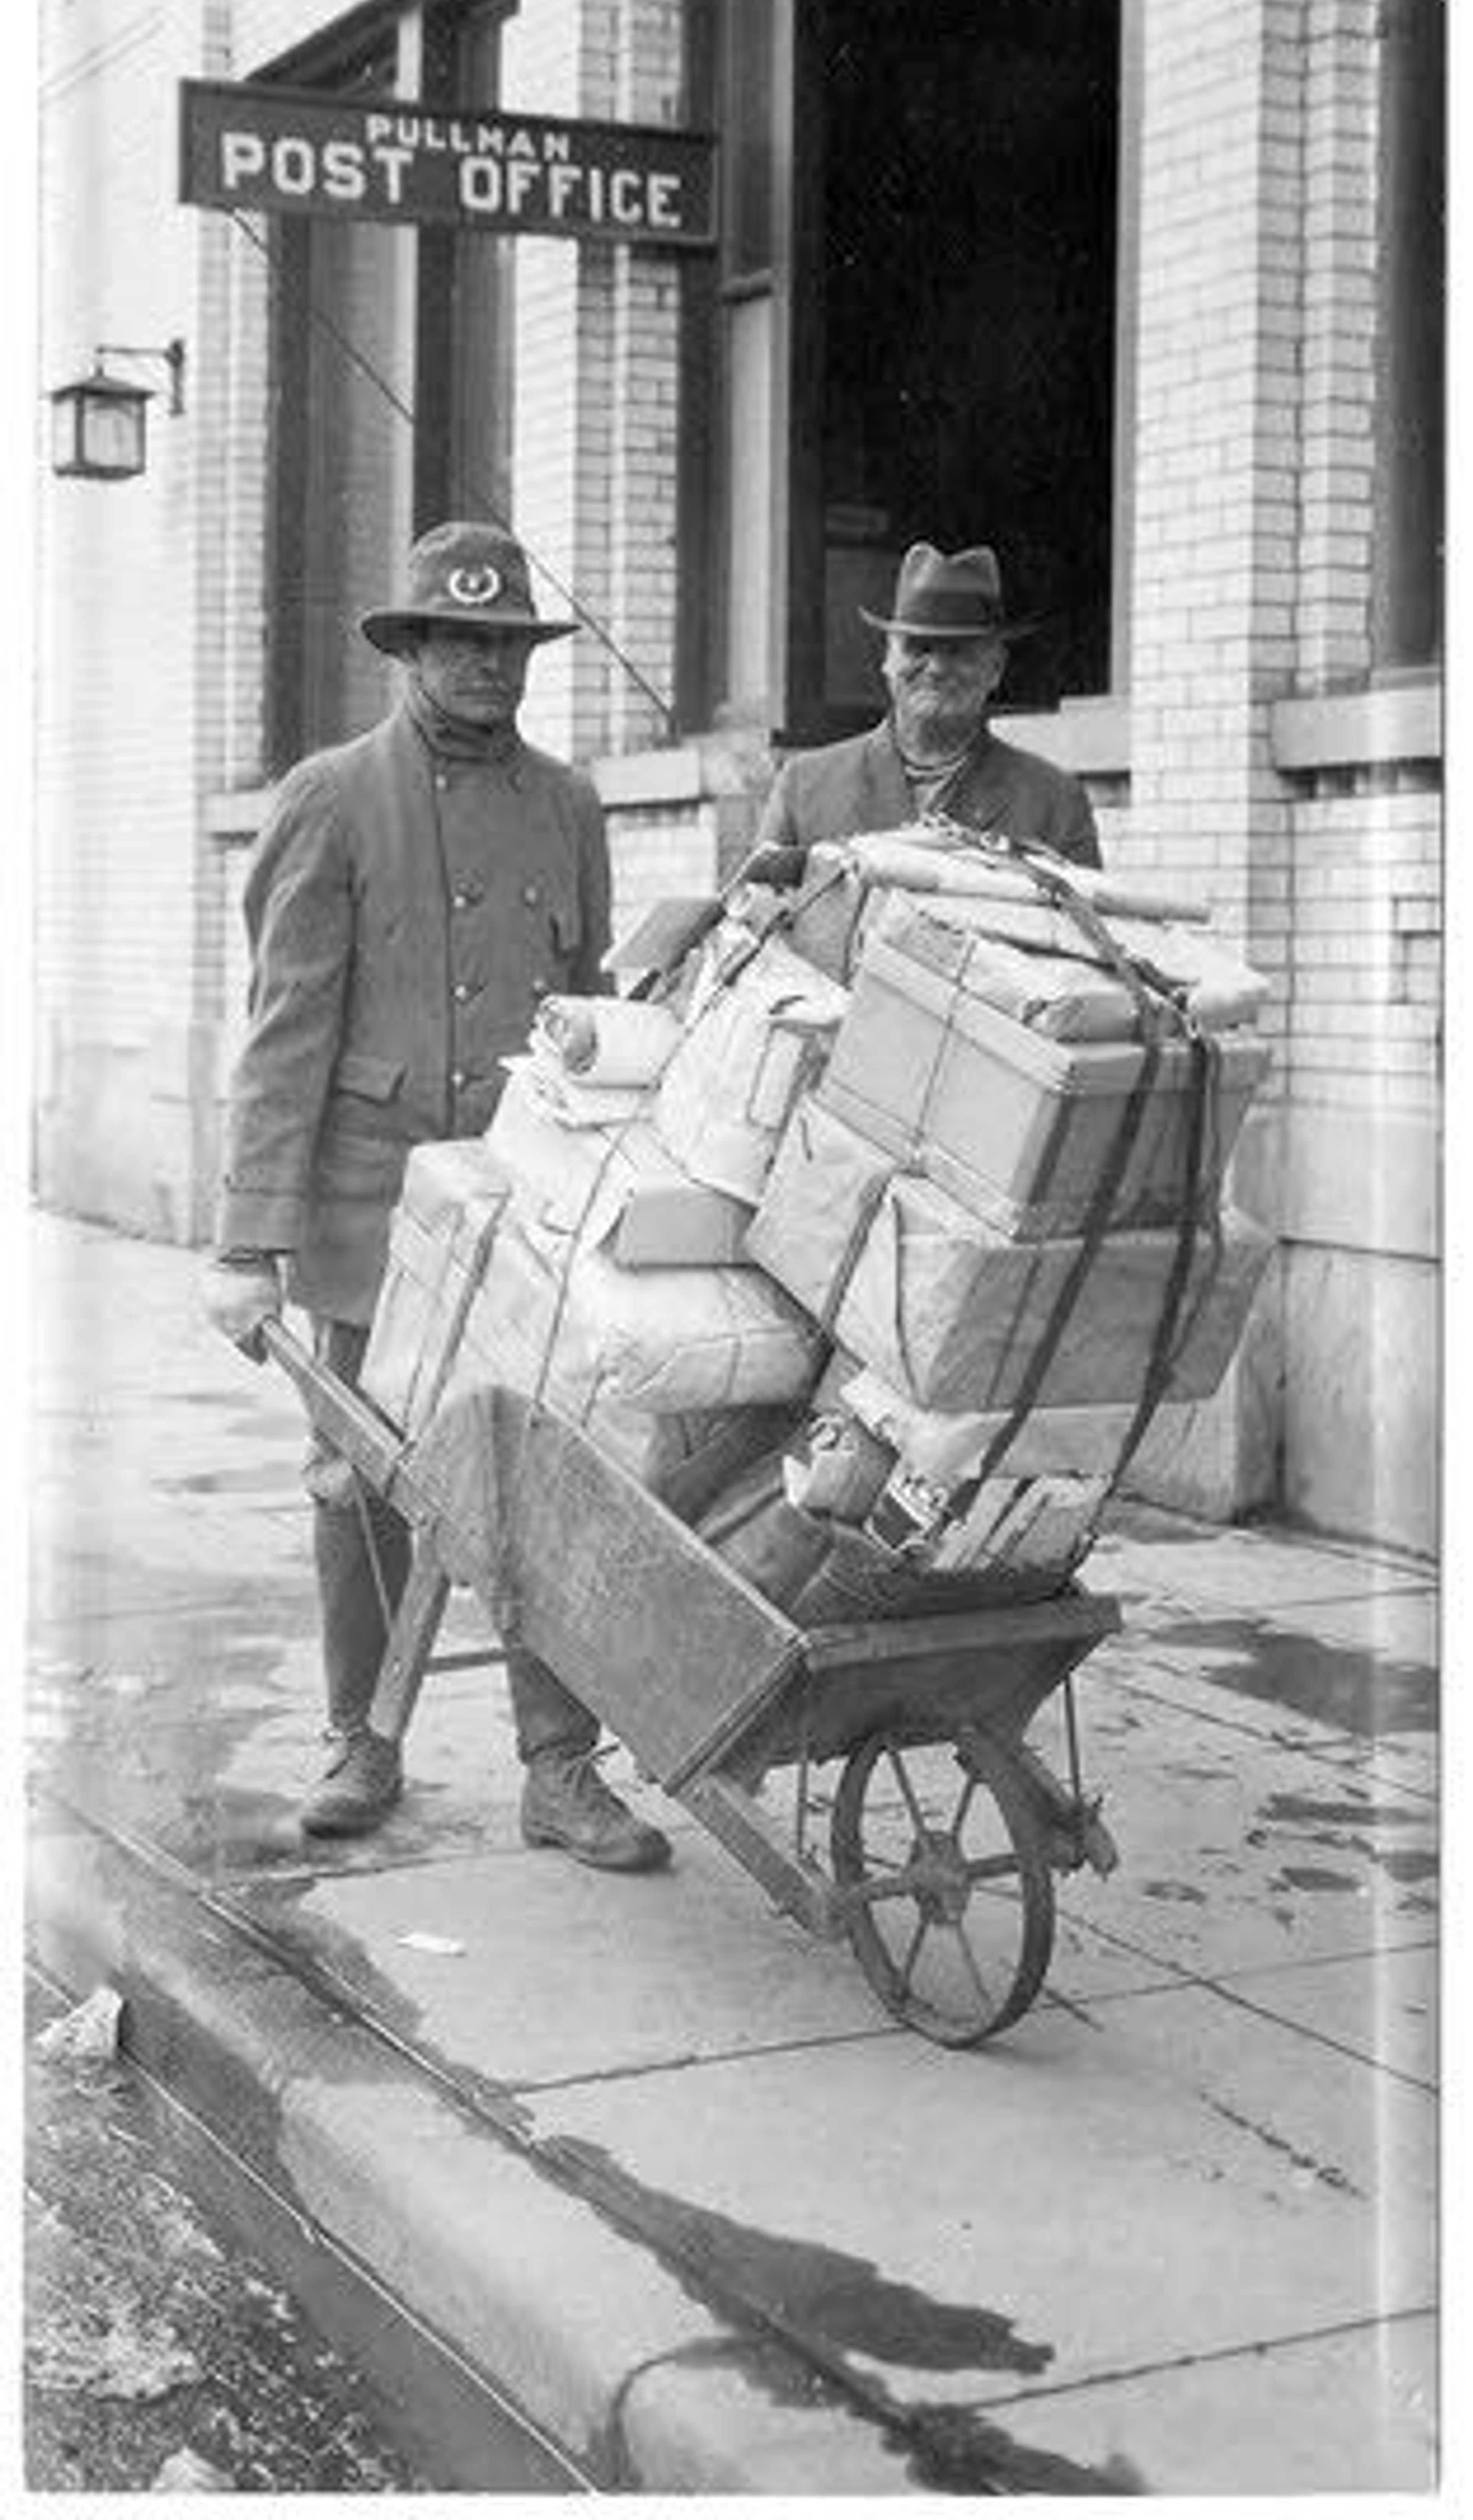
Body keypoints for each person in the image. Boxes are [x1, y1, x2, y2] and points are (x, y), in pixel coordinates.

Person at [202, 520, 671, 1871]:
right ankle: (364, 1737)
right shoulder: (332, 795)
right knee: (360, 1478)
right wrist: (251, 1242)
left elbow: (584, 1006)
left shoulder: (569, 802)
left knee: (552, 1484)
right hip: (371, 1213)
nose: (488, 666)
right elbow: (286, 1029)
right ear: (409, 648)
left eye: (509, 644)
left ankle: (560, 1767)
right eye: (461, 640)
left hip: (525, 1209)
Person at [755, 541, 1101, 866]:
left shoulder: (1055, 802)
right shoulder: (805, 787)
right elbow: (753, 919)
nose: (936, 669)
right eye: (918, 648)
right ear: (887, 659)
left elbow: (1087, 928)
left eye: (959, 653)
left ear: (996, 669)